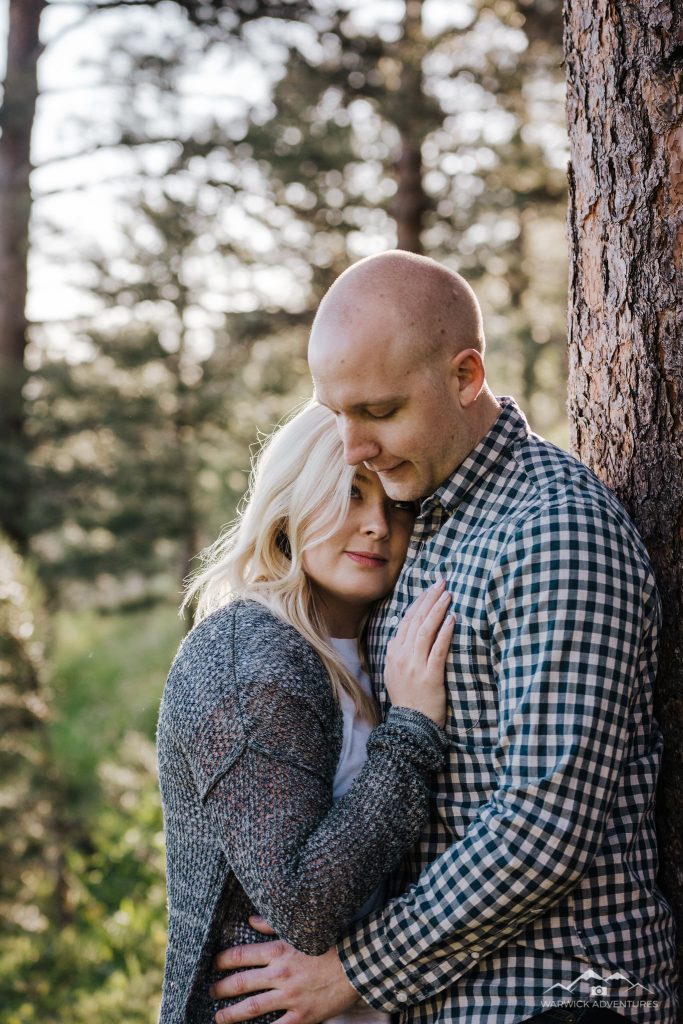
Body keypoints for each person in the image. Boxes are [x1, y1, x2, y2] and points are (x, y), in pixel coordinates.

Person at [209, 251, 678, 1024]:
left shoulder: (552, 533)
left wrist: (352, 972)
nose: (352, 447)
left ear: (465, 377)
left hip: (558, 996)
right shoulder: (417, 519)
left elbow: (542, 829)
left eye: (379, 411)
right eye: (336, 414)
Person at [156, 399, 456, 1024]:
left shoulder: (375, 645)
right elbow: (303, 905)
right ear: (290, 505)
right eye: (351, 493)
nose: (377, 525)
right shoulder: (246, 659)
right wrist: (412, 732)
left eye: (397, 504)